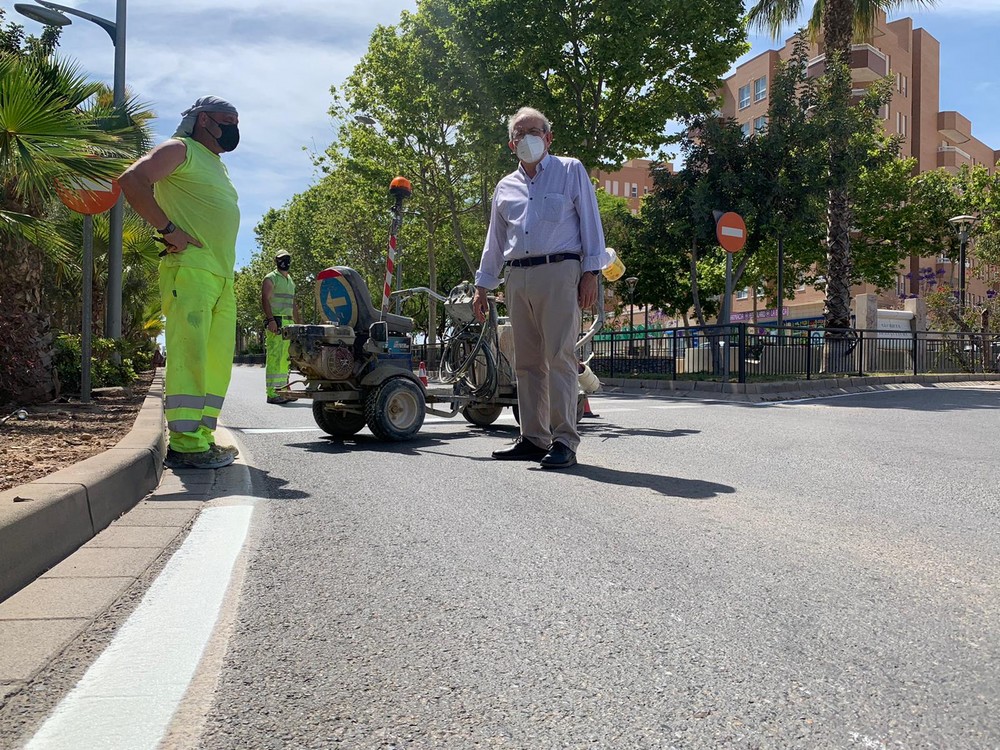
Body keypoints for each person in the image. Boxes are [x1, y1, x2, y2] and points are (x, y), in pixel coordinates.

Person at [473, 107, 609, 470]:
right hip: (517, 277)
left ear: (549, 137)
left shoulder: (570, 170)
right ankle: (533, 438)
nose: (528, 138)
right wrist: (482, 286)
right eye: (520, 133)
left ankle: (564, 440)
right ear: (511, 144)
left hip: (560, 271)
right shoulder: (505, 187)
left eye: (535, 130)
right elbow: (495, 240)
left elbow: (590, 221)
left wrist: (591, 272)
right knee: (527, 362)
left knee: (560, 358)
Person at [119, 95, 241, 470]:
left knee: (215, 362)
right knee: (190, 356)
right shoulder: (180, 148)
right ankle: (186, 447)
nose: (234, 128)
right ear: (203, 120)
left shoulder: (217, 165)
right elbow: (132, 180)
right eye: (227, 120)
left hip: (221, 277)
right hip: (190, 270)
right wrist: (169, 230)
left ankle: (202, 438)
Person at [262, 249, 301, 404]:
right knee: (275, 358)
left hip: (288, 324)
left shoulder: (290, 281)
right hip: (276, 323)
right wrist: (271, 320)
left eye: (287, 258)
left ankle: (283, 390)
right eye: (281, 259)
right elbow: (265, 299)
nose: (284, 261)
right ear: (276, 261)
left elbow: (293, 304)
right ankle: (272, 393)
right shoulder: (271, 278)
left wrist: (298, 324)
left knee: (285, 359)